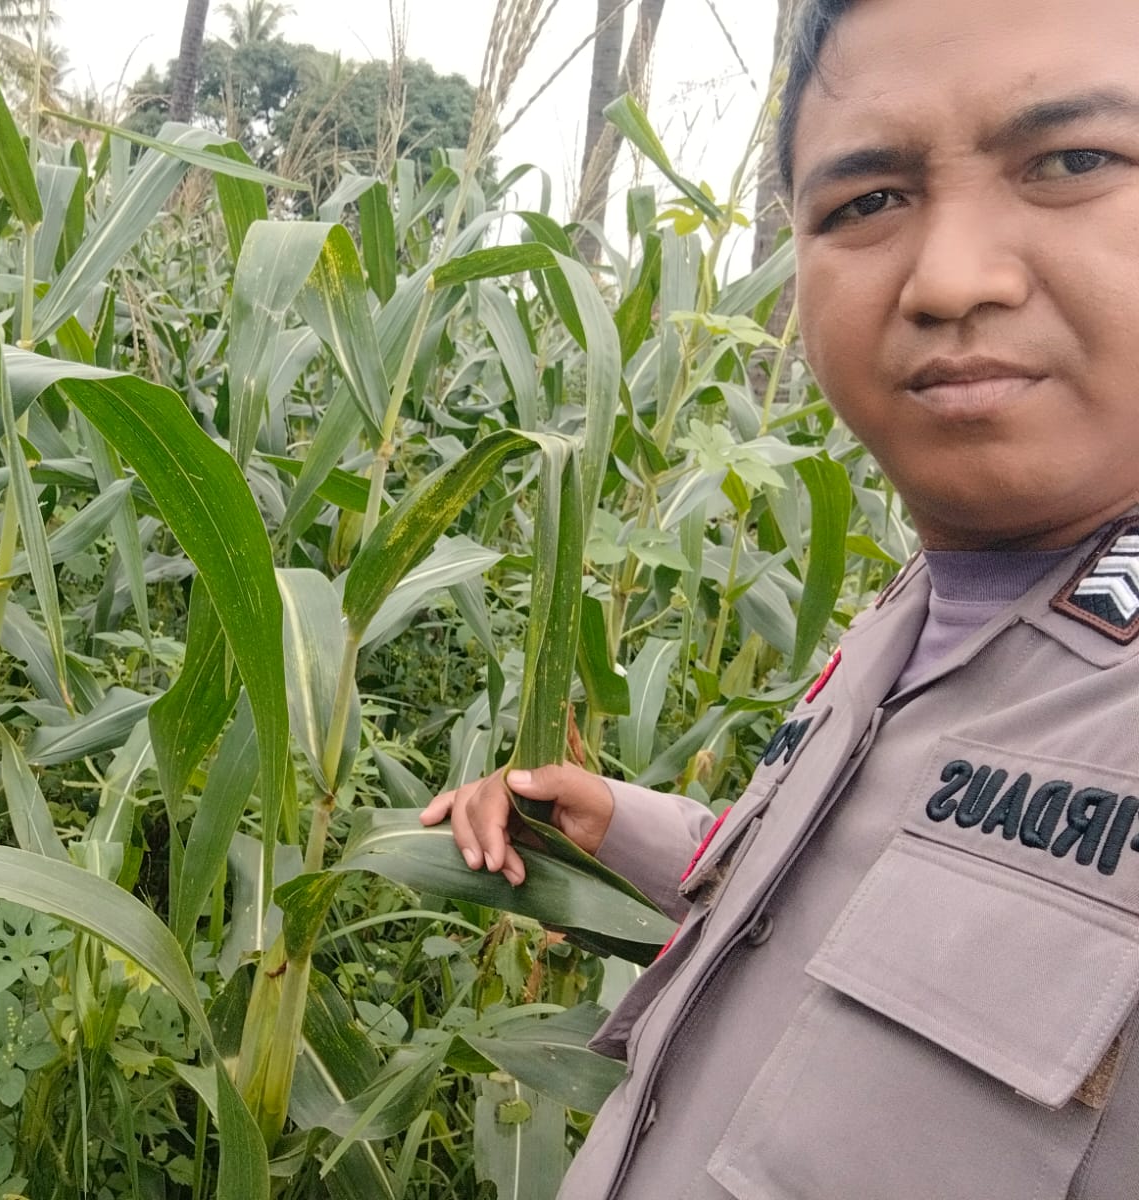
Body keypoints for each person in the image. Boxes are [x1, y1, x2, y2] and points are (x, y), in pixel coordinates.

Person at [421, 0, 1139, 1196]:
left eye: (1072, 162)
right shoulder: (915, 615)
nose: (949, 278)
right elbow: (892, 880)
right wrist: (625, 828)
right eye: (865, 201)